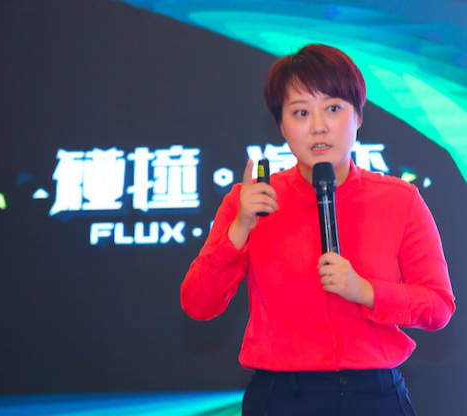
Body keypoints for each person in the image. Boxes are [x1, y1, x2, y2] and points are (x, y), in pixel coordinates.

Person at [180, 44, 455, 416]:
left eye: (333, 108)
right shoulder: (251, 201)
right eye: (301, 112)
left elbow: (438, 307)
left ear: (358, 115)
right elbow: (198, 304)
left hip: (374, 397)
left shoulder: (400, 200)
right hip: (282, 398)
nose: (318, 126)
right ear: (281, 126)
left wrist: (367, 291)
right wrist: (240, 228)